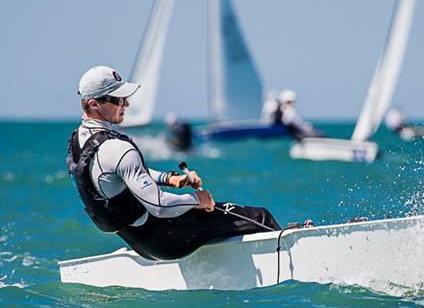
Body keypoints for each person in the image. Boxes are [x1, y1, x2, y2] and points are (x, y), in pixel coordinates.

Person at [67, 66, 281, 261]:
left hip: (141, 243)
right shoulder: (118, 148)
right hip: (168, 240)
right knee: (259, 216)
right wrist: (198, 200)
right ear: (94, 104)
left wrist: (169, 178)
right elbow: (159, 206)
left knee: (221, 223)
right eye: (118, 100)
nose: (127, 104)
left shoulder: (80, 142)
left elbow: (118, 174)